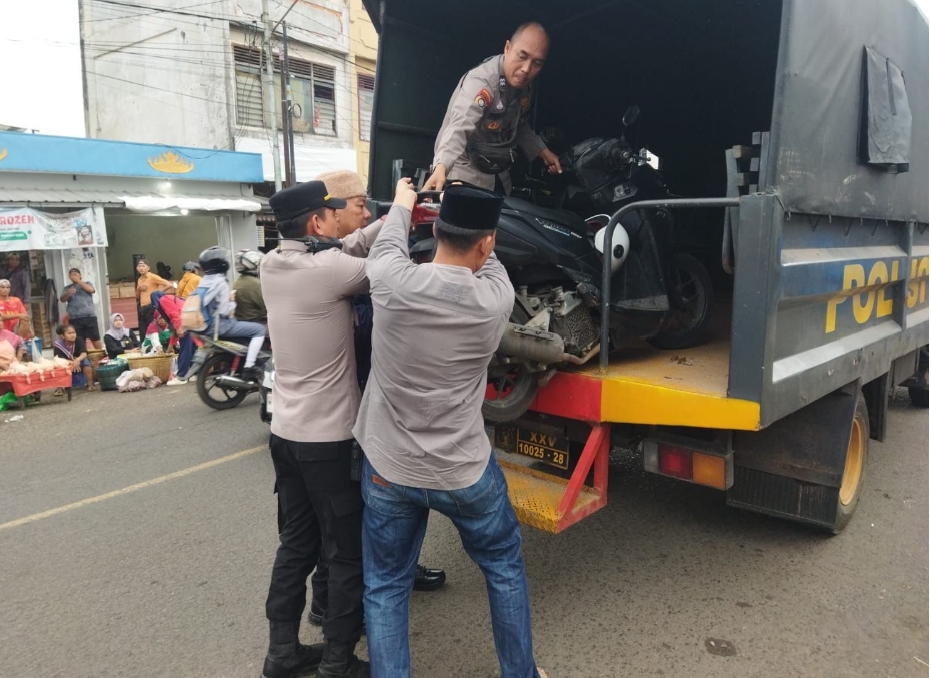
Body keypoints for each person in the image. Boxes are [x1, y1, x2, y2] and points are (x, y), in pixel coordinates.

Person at [354, 181, 546, 678]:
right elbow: (490, 258)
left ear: (436, 228)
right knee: (503, 569)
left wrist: (403, 201)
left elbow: (390, 241)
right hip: (463, 472)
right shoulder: (494, 300)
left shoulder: (392, 283)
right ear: (487, 243)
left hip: (388, 468)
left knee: (386, 586)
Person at [304, 170, 446, 631]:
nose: (367, 213)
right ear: (327, 214)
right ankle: (329, 603)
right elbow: (389, 277)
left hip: (370, 405)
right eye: (360, 205)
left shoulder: (342, 251)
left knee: (381, 503)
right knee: (342, 513)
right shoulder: (322, 264)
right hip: (341, 414)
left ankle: (396, 572)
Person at [259, 180, 381, 678]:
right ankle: (337, 662)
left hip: (285, 436)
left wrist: (378, 221)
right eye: (332, 214)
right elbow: (384, 270)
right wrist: (405, 213)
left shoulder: (272, 264)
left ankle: (282, 653)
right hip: (327, 444)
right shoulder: (329, 269)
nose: (338, 221)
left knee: (296, 545)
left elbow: (343, 250)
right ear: (315, 223)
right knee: (346, 553)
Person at [422, 22, 561, 195]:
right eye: (522, 56)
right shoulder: (482, 82)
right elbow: (459, 126)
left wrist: (543, 152)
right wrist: (441, 168)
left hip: (496, 169)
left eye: (537, 63)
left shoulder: (525, 87)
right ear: (508, 47)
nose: (526, 69)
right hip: (462, 169)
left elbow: (519, 125)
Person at [196, 247, 266, 383]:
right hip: (222, 324)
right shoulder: (224, 283)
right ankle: (250, 365)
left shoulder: (207, 281)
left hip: (208, 324)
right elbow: (224, 310)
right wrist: (232, 302)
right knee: (260, 330)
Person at [60, 268, 102, 350]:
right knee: (79, 340)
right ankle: (83, 357)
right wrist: (68, 292)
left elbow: (91, 290)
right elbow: (62, 299)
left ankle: (102, 355)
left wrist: (78, 281)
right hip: (74, 318)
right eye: (71, 275)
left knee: (95, 337)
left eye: (75, 274)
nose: (73, 276)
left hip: (89, 316)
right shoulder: (67, 288)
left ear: (80, 276)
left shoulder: (87, 283)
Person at [134, 259, 172, 337]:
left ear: (148, 268)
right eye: (139, 266)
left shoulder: (152, 277)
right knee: (143, 330)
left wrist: (156, 293)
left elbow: (169, 284)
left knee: (153, 329)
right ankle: (144, 346)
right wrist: (139, 289)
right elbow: (137, 296)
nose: (141, 268)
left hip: (151, 306)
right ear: (137, 268)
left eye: (143, 266)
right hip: (142, 307)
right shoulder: (139, 279)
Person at [53, 323, 96, 393]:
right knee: (58, 367)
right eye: (69, 333)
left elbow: (84, 353)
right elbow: (58, 359)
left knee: (86, 363)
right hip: (66, 363)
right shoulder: (58, 344)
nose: (72, 335)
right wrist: (71, 362)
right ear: (63, 336)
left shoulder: (79, 340)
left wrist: (77, 360)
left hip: (79, 361)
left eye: (74, 332)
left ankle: (90, 384)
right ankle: (59, 388)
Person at [233, 251, 267, 323]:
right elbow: (267, 306)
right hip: (256, 320)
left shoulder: (241, 279)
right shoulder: (255, 283)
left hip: (243, 319)